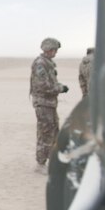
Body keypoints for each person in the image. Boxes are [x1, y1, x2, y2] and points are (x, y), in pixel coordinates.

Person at [29, 37, 68, 174]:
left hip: (49, 103)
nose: (55, 53)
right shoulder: (40, 63)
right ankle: (40, 164)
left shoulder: (48, 63)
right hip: (43, 103)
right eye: (54, 50)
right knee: (45, 133)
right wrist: (60, 88)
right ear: (48, 49)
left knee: (53, 131)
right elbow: (44, 85)